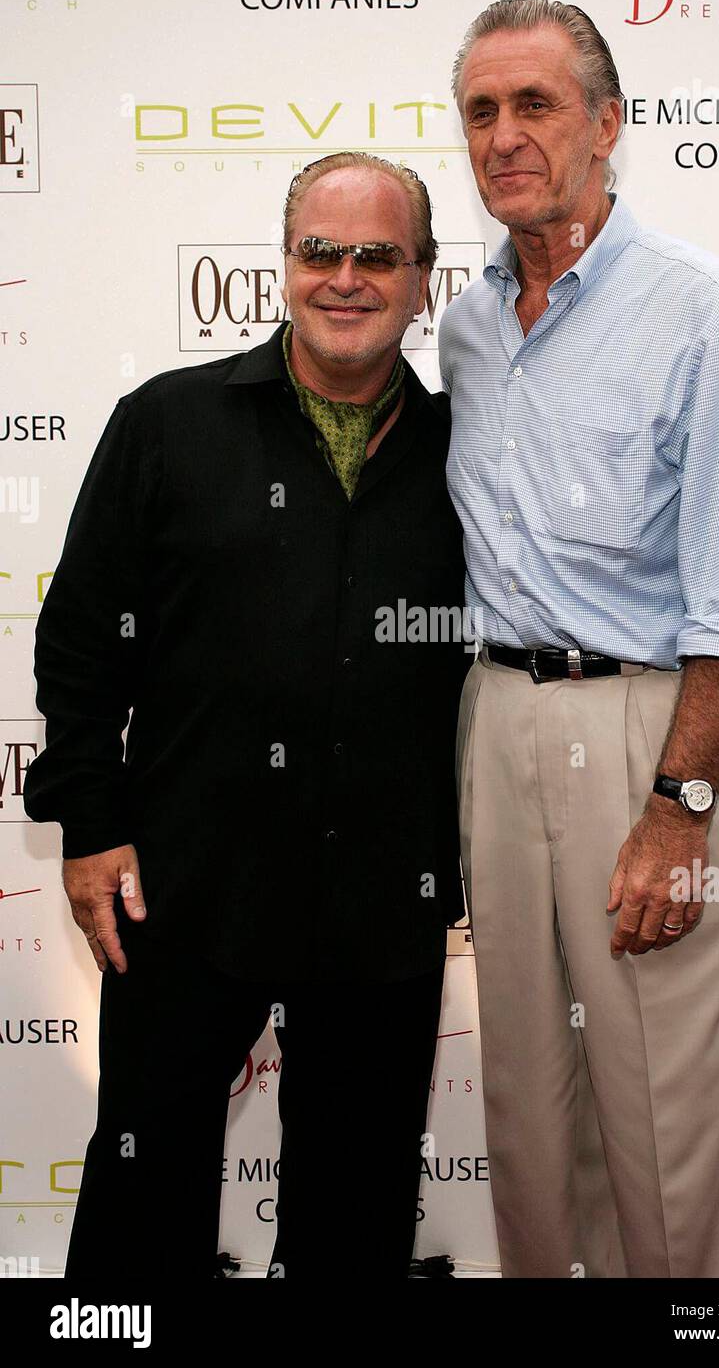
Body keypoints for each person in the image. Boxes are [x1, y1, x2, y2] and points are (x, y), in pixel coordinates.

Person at [24, 151, 468, 1279]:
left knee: (358, 1206)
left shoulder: (470, 453)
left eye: (378, 255)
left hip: (382, 895)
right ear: (284, 263)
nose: (346, 277)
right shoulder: (168, 423)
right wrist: (90, 825)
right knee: (142, 1192)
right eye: (321, 250)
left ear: (424, 278)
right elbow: (79, 643)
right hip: (182, 881)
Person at [440, 0, 719, 1278]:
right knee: (529, 1120)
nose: (504, 135)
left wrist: (678, 807)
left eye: (534, 104)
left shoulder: (705, 312)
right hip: (497, 721)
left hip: (650, 733)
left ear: (606, 125)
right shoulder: (468, 324)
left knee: (669, 1131)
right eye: (481, 110)